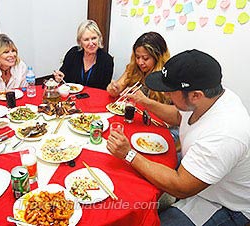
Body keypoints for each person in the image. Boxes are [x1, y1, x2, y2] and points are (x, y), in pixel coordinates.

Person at [107, 49, 250, 225]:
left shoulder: (224, 134)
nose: (166, 95)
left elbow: (181, 186)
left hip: (224, 204)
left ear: (196, 95)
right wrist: (145, 102)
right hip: (198, 178)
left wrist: (129, 154)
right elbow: (178, 115)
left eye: (170, 91)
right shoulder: (208, 98)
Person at [106, 31, 171, 104]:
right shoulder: (133, 68)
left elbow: (169, 111)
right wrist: (113, 89)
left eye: (145, 58)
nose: (140, 62)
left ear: (158, 58)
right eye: (137, 57)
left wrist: (145, 101)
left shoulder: (166, 75)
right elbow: (119, 87)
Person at [53, 20, 113, 90]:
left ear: (99, 38)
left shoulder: (107, 60)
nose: (91, 43)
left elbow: (103, 90)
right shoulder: (73, 53)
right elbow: (63, 77)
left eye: (94, 38)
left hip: (94, 99)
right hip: (72, 98)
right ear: (80, 42)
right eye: (86, 40)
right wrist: (59, 78)